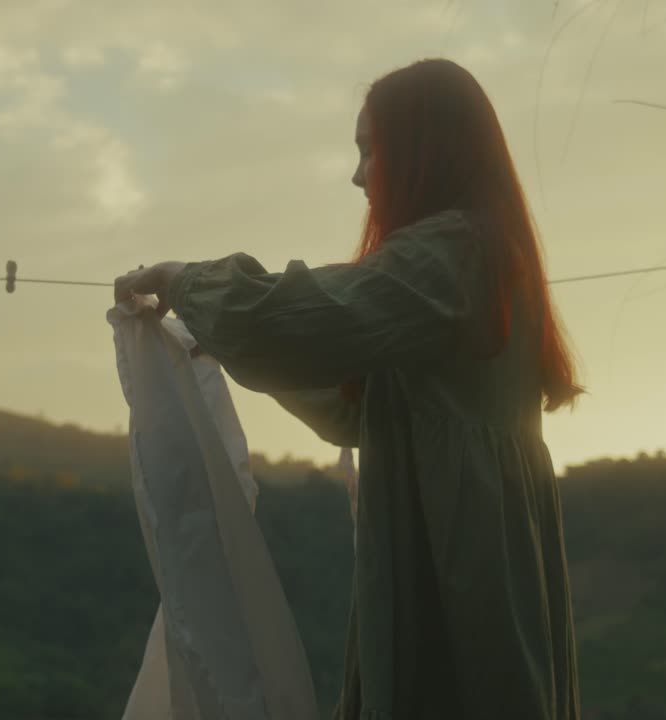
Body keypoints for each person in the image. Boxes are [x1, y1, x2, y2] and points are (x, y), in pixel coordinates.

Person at [114, 58, 582, 720]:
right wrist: (222, 338)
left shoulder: (455, 253)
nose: (359, 175)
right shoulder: (472, 255)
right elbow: (352, 408)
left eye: (370, 149)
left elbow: (311, 317)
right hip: (476, 559)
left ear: (425, 149)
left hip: (462, 572)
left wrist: (186, 280)